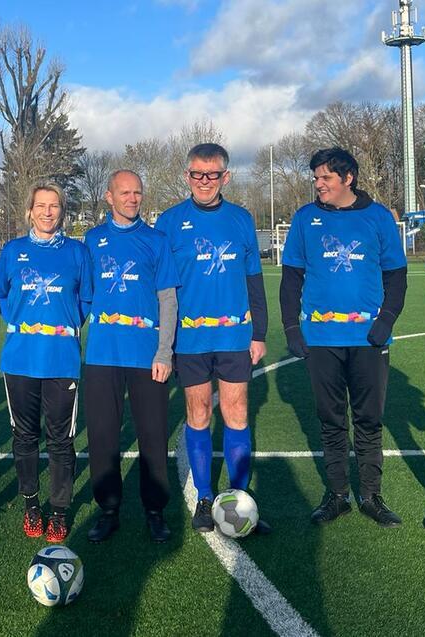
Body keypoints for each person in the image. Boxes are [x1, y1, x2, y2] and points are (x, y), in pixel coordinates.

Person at [279, 147, 408, 527]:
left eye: (325, 178)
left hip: (368, 338)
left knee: (368, 418)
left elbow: (396, 276)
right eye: (316, 178)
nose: (318, 184)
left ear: (348, 178)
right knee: (330, 419)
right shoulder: (305, 219)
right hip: (321, 338)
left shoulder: (379, 218)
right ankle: (337, 494)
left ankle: (371, 495)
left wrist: (385, 321)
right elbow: (291, 280)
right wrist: (291, 327)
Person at [154, 143, 269, 533]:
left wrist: (260, 333)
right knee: (198, 414)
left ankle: (240, 496)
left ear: (226, 177)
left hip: (235, 336)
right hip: (190, 341)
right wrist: (163, 342)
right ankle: (204, 497)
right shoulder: (169, 223)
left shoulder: (241, 219)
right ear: (187, 176)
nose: (205, 182)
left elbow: (254, 280)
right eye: (197, 174)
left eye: (213, 175)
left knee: (236, 413)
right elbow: (161, 288)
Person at [83, 170, 179, 544]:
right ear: (109, 197)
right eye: (125, 193)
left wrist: (164, 352)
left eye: (137, 192)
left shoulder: (156, 241)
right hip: (102, 356)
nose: (132, 198)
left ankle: (154, 510)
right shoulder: (92, 241)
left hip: (147, 357)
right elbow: (84, 298)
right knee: (104, 437)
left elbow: (167, 299)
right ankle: (108, 510)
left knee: (153, 436)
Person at [0, 183, 93, 543]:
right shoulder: (13, 251)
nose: (48, 212)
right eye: (41, 206)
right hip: (20, 359)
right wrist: (23, 322)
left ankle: (60, 510)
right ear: (30, 211)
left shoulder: (77, 253)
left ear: (62, 211)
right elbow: (1, 295)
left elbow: (85, 301)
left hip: (61, 360)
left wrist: (61, 327)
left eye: (54, 206)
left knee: (61, 439)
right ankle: (32, 505)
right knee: (24, 436)